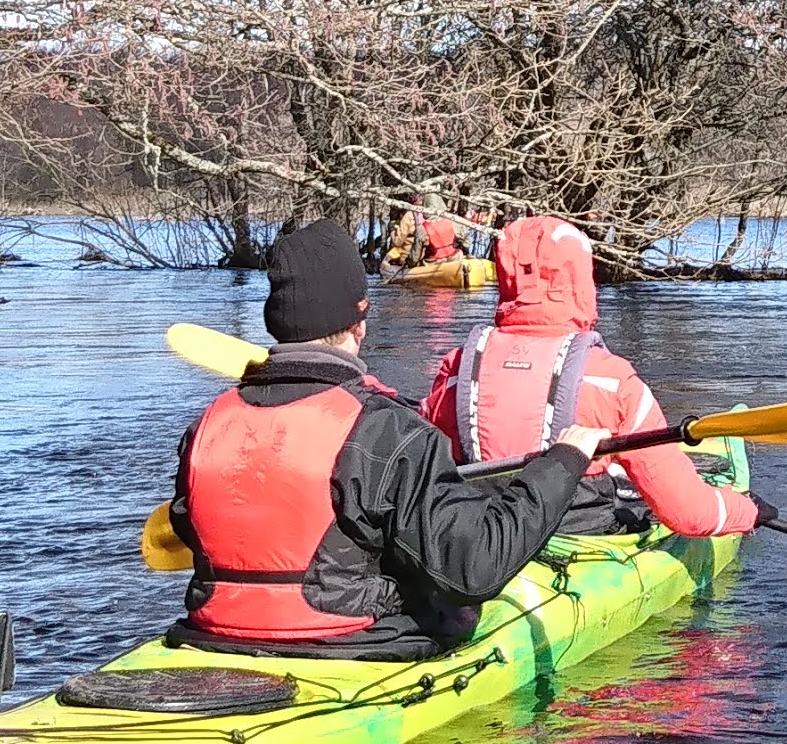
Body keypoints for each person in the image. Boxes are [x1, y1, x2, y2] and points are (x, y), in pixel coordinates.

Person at [166, 224, 595, 660]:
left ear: (273, 322)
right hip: (352, 644)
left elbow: (191, 525)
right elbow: (474, 571)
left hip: (213, 632)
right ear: (361, 319)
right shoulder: (389, 431)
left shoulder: (206, 426)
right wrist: (562, 463)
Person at [426, 215, 762, 544]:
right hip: (576, 534)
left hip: (488, 537)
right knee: (638, 505)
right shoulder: (612, 379)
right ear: (579, 278)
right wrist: (748, 512)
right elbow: (690, 514)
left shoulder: (455, 368)